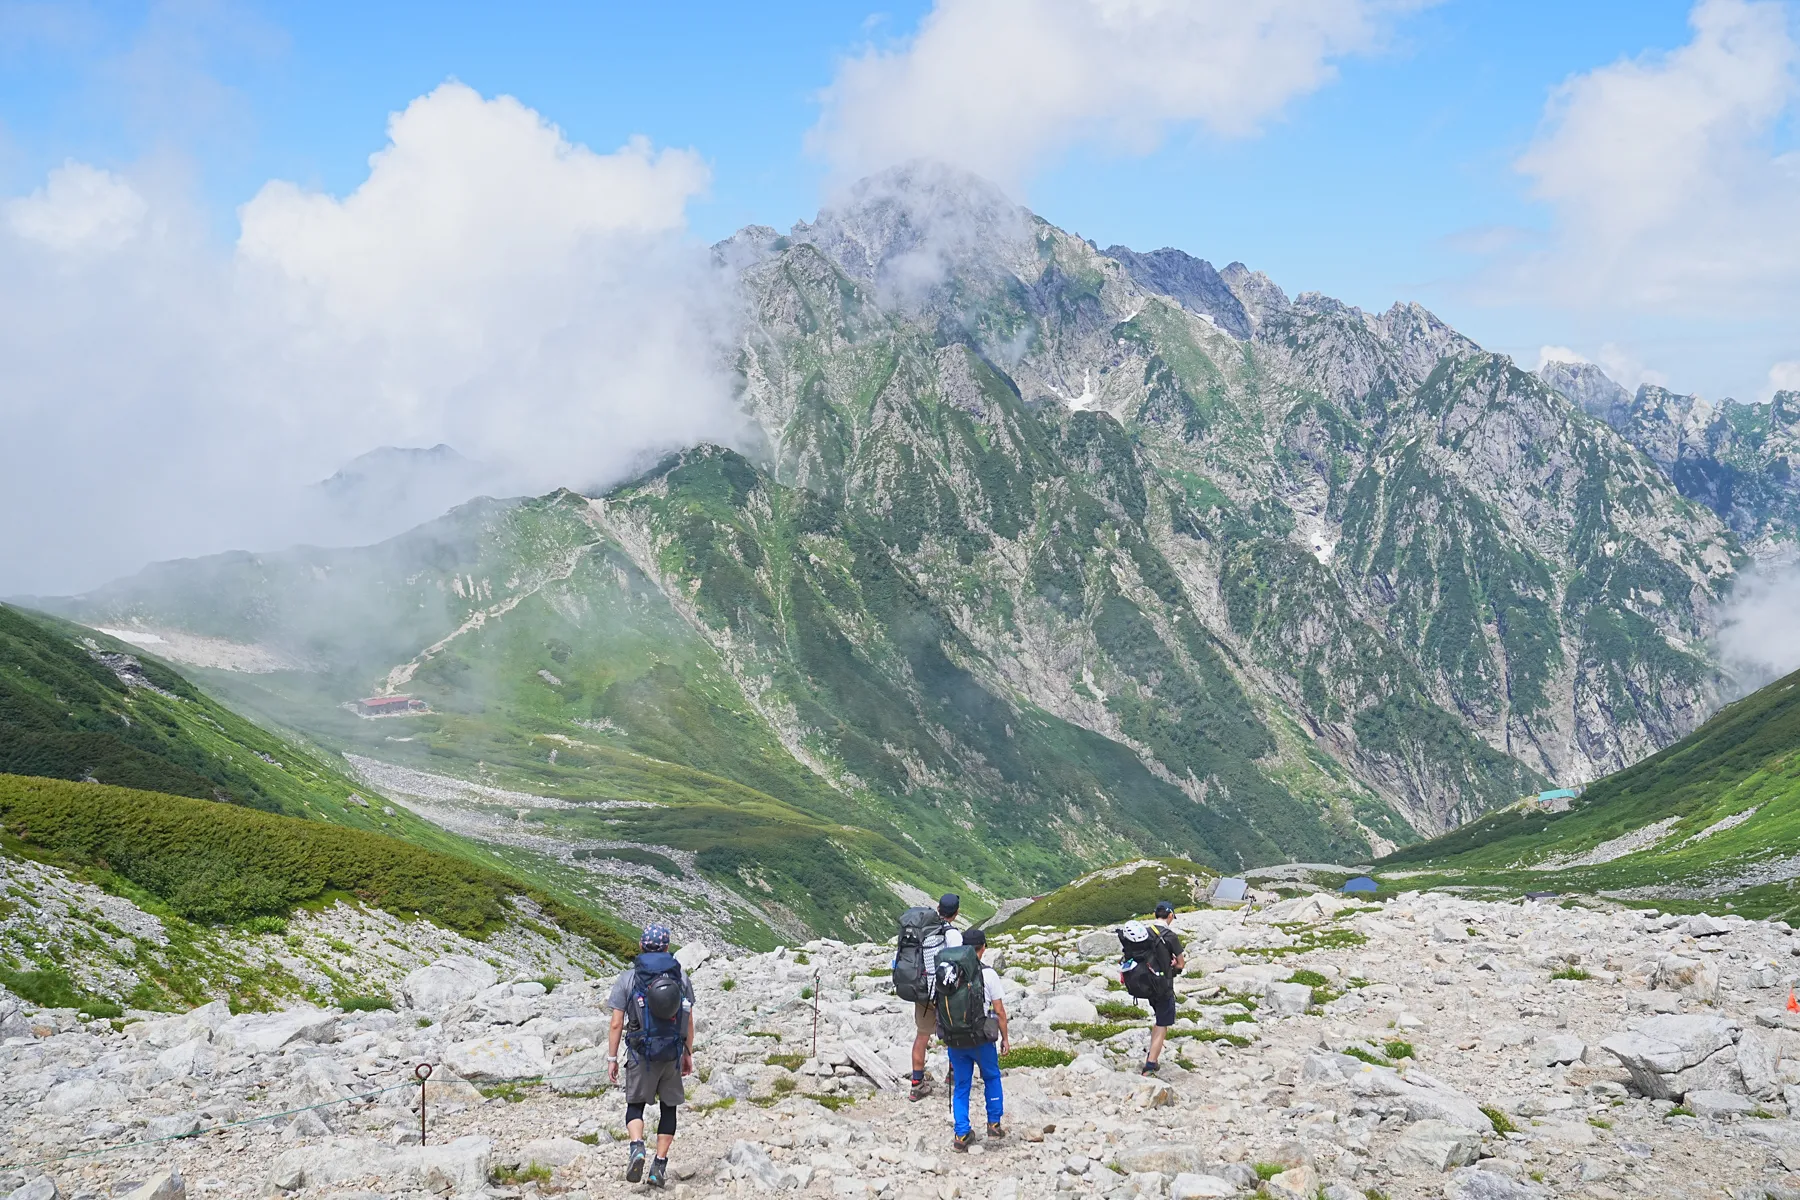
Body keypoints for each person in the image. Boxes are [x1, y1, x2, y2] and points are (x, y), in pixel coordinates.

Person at [607, 925, 695, 1189]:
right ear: (667, 948)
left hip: (639, 1052)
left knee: (635, 1104)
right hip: (671, 1052)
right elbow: (688, 1018)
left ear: (641, 946)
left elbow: (616, 1023)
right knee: (669, 1108)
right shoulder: (681, 977)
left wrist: (612, 1059)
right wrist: (688, 1053)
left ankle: (636, 1147)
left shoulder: (629, 978)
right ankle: (659, 1166)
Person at [943, 927, 1010, 1151]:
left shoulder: (948, 971)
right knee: (991, 1077)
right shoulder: (988, 974)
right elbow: (999, 1011)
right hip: (981, 1039)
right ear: (983, 948)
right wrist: (1005, 1039)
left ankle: (961, 1134)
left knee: (962, 1085)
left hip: (955, 1039)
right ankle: (993, 1124)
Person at [909, 893, 963, 1101]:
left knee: (922, 1036)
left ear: (938, 908)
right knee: (953, 1035)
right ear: (956, 913)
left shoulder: (922, 929)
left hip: (922, 991)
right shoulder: (953, 935)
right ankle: (953, 1075)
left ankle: (916, 1084)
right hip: (944, 993)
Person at [1142, 900, 1186, 1076]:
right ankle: (1150, 1065)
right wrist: (1174, 964)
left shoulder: (1145, 933)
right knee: (1163, 1024)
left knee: (1158, 1020)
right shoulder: (1171, 936)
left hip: (1146, 984)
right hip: (1163, 986)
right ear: (1169, 916)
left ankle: (1151, 1057)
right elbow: (1181, 965)